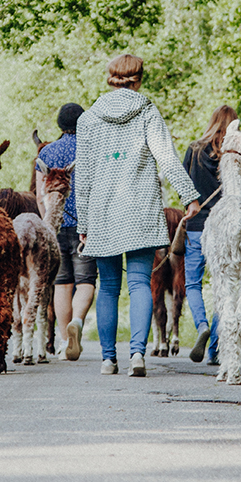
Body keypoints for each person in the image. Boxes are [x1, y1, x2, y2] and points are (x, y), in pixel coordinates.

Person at [75, 54, 202, 377]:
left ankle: (107, 359)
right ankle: (137, 355)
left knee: (107, 287)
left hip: (103, 211)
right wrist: (189, 196)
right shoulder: (147, 111)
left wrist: (84, 223)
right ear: (139, 79)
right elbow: (167, 159)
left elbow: (84, 176)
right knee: (139, 283)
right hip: (141, 210)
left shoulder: (88, 119)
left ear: (110, 78)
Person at [182, 105, 241, 366]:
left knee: (193, 282)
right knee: (224, 285)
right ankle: (215, 349)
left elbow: (184, 185)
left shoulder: (194, 150)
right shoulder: (236, 153)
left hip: (197, 224)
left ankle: (201, 324)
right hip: (226, 227)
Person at [34, 103, 96, 361]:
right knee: (86, 282)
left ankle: (62, 342)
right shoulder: (92, 149)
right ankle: (78, 322)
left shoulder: (46, 152)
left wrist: (47, 223)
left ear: (59, 124)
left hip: (56, 227)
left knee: (61, 283)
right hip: (87, 226)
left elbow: (40, 195)